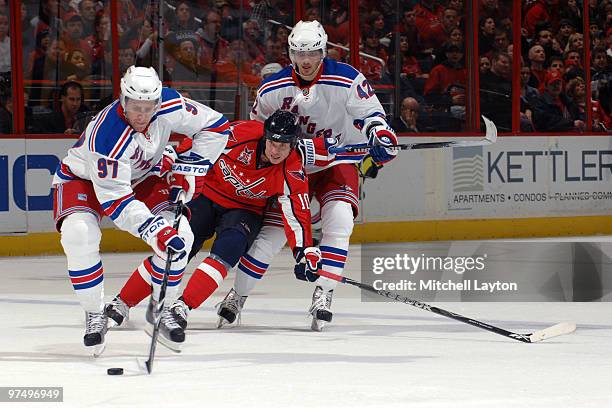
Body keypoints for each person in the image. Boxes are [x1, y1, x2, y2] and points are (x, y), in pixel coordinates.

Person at [216, 20, 398, 331]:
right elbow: (260, 133)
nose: (306, 60)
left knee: (340, 221)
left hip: (335, 163)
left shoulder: (348, 78)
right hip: (291, 167)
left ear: (323, 51)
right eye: (299, 53)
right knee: (270, 238)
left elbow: (371, 115)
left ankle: (324, 293)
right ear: (290, 53)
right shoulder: (272, 87)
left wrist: (379, 135)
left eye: (313, 52)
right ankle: (238, 295)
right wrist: (293, 149)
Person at [51, 66, 229, 355]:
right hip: (83, 179)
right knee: (79, 234)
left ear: (158, 102)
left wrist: (191, 166)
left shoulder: (170, 103)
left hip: (144, 175)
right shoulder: (106, 135)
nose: (141, 115)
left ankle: (164, 308)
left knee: (181, 235)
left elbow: (216, 126)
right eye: (135, 107)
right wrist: (155, 230)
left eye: (148, 108)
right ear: (123, 99)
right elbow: (116, 201)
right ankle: (95, 312)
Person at [106, 110, 321, 349]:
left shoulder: (292, 170)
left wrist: (304, 251)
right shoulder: (242, 134)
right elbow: (207, 137)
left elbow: (297, 214)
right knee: (174, 248)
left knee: (229, 250)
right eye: (272, 142)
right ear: (265, 136)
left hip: (245, 210)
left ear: (293, 145)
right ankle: (122, 302)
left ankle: (182, 306)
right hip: (206, 196)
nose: (275, 151)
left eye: (283, 146)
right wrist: (175, 154)